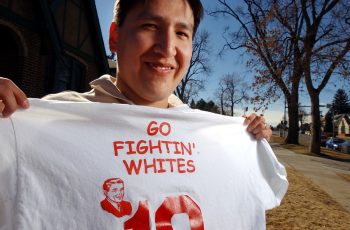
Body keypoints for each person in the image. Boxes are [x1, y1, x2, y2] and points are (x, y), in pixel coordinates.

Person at [0, 0, 271, 141]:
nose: (167, 48)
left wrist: (249, 142)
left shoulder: (207, 134)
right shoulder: (49, 121)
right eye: (150, 26)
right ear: (115, 37)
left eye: (181, 33)